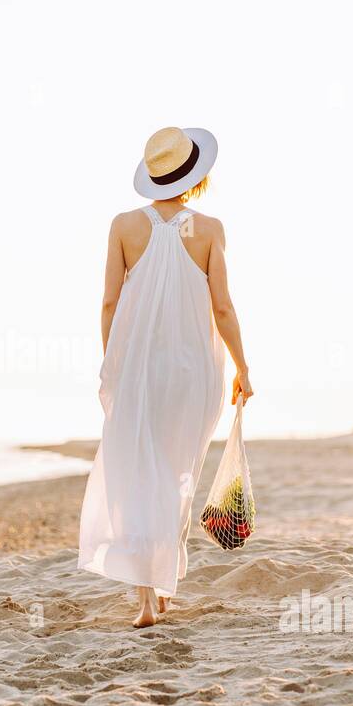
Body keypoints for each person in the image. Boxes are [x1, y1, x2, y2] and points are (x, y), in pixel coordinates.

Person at [78, 126, 253, 628]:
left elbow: (110, 301)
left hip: (138, 369)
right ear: (194, 175)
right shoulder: (210, 229)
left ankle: (146, 602)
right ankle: (165, 581)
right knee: (180, 472)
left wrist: (114, 363)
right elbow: (222, 307)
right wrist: (243, 366)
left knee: (138, 476)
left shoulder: (124, 225)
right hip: (194, 371)